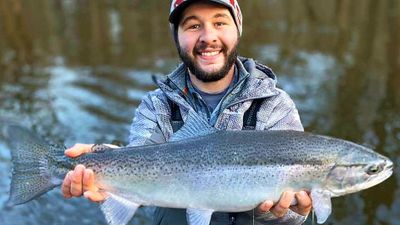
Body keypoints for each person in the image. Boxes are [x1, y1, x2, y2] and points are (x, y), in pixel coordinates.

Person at [61, 0, 313, 224]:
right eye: (193, 26)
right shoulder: (155, 106)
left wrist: (283, 212)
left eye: (220, 22)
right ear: (177, 36)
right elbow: (140, 160)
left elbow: (292, 217)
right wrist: (104, 160)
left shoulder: (275, 104)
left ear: (238, 29)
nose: (208, 37)